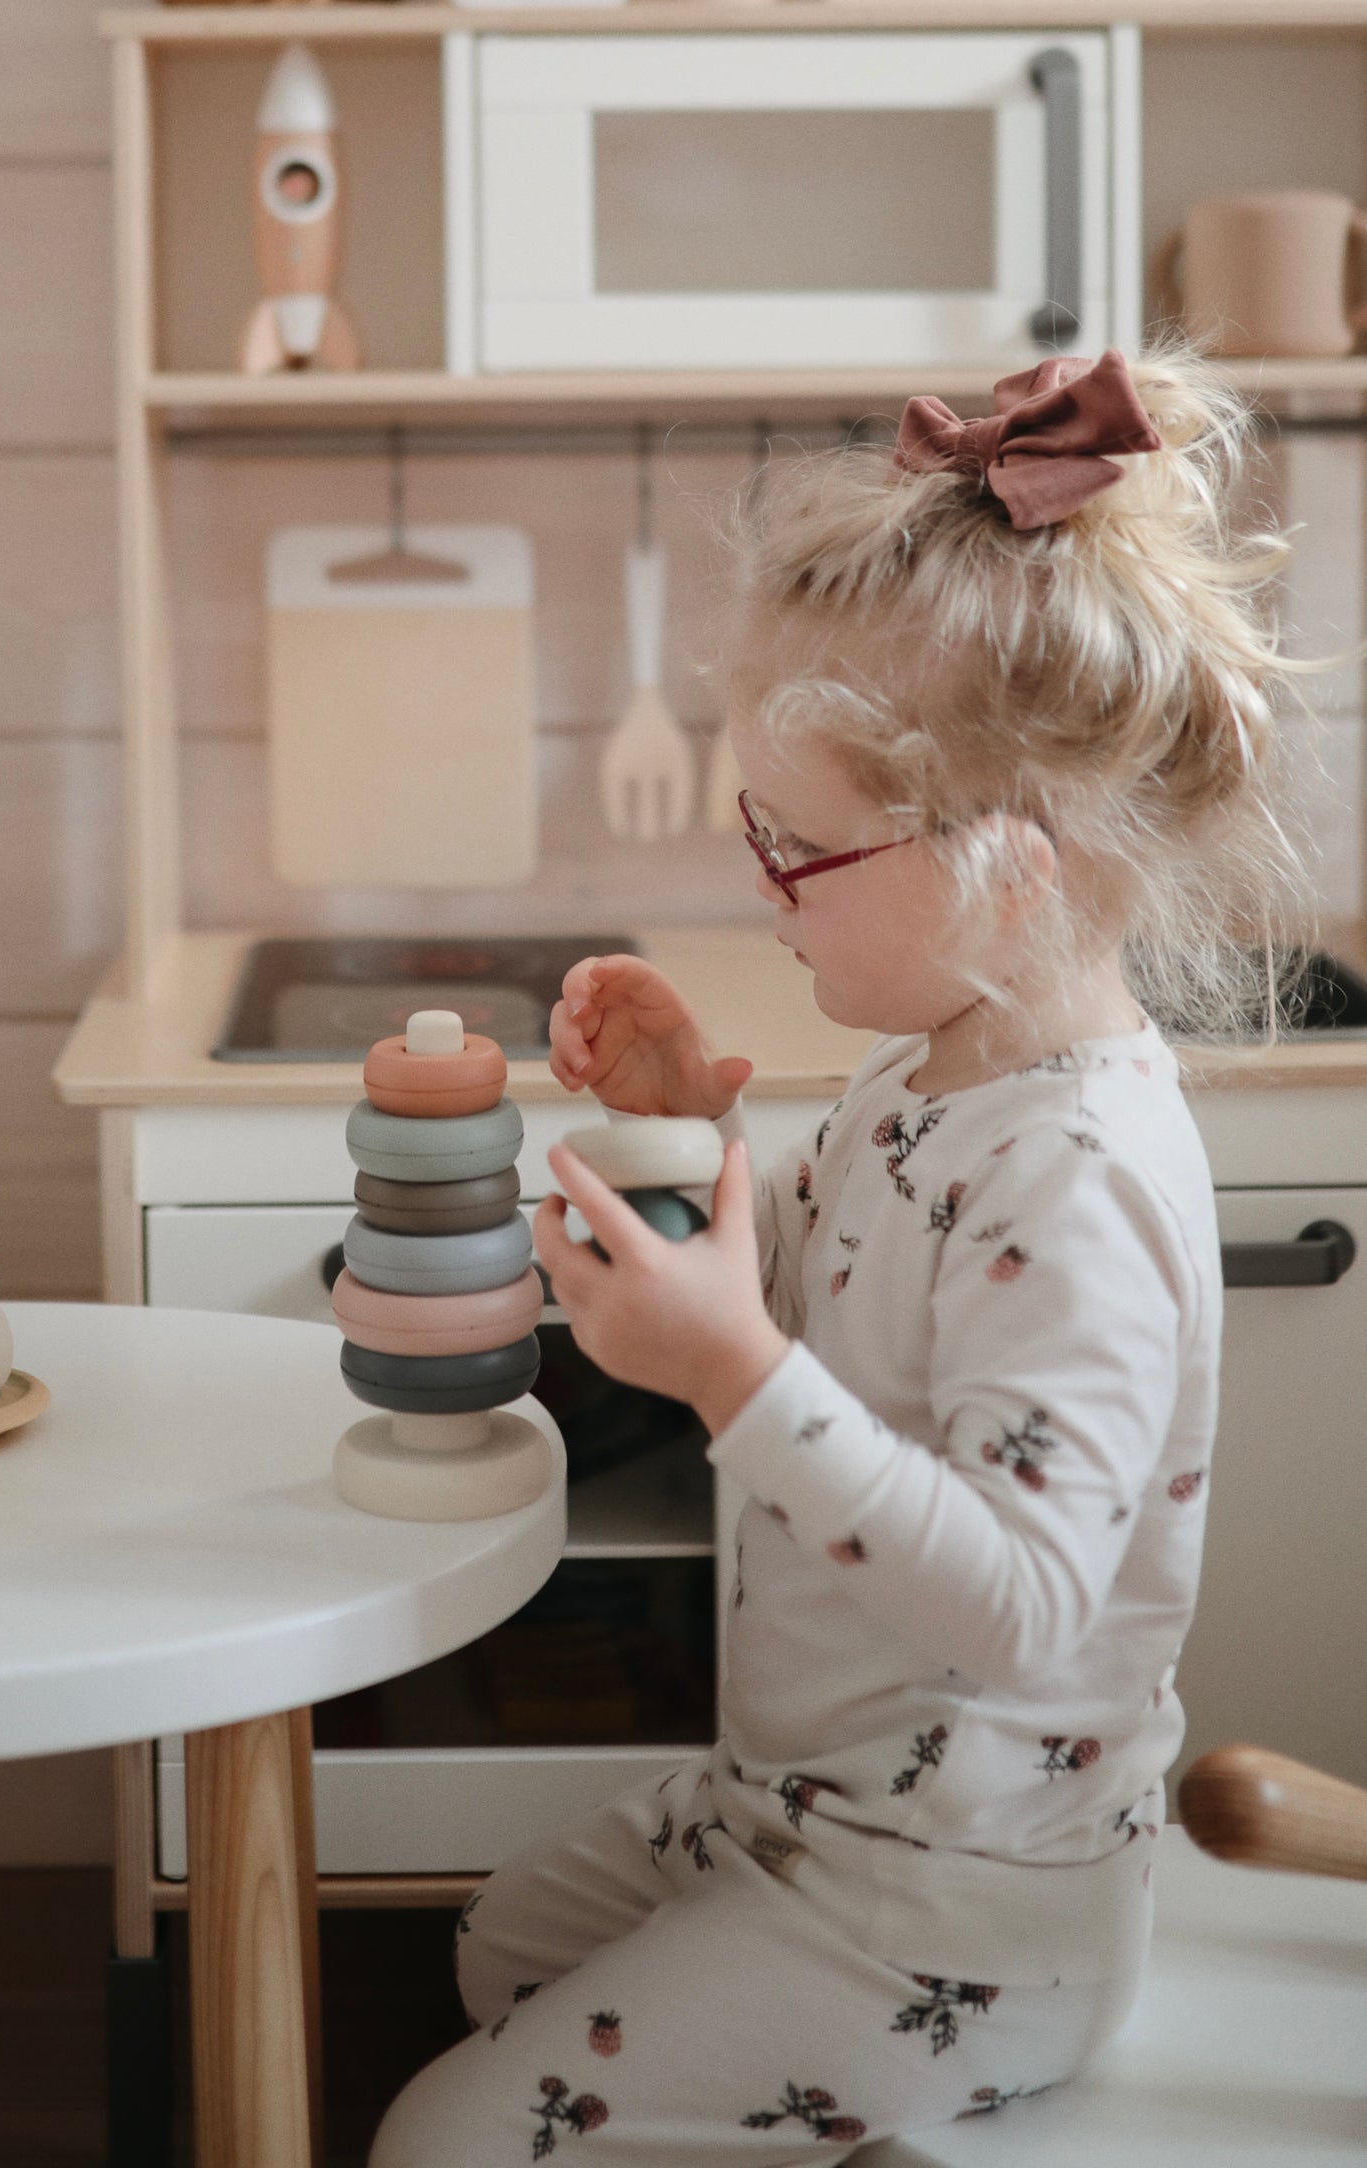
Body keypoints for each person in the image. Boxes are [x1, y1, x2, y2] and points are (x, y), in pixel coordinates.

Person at [369, 347, 1314, 2165]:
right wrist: (684, 1136)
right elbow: (807, 1292)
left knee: (437, 2140)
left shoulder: (1085, 1175)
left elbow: (1027, 1601)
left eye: (795, 850)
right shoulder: (934, 1065)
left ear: (1008, 869)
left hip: (953, 1915)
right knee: (493, 1954)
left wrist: (720, 1371)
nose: (757, 882)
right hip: (795, 1813)